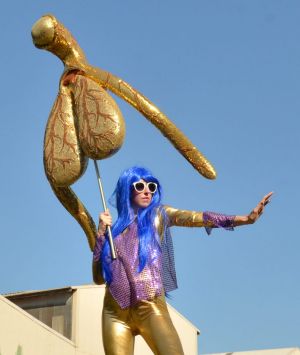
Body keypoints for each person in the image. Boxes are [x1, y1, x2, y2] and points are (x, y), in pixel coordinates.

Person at [92, 166, 272, 355]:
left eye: (151, 187)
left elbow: (196, 217)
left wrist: (245, 219)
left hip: (150, 305)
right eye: (139, 186)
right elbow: (98, 278)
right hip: (114, 312)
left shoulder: (158, 215)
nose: (147, 191)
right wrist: (101, 234)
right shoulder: (113, 232)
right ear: (126, 190)